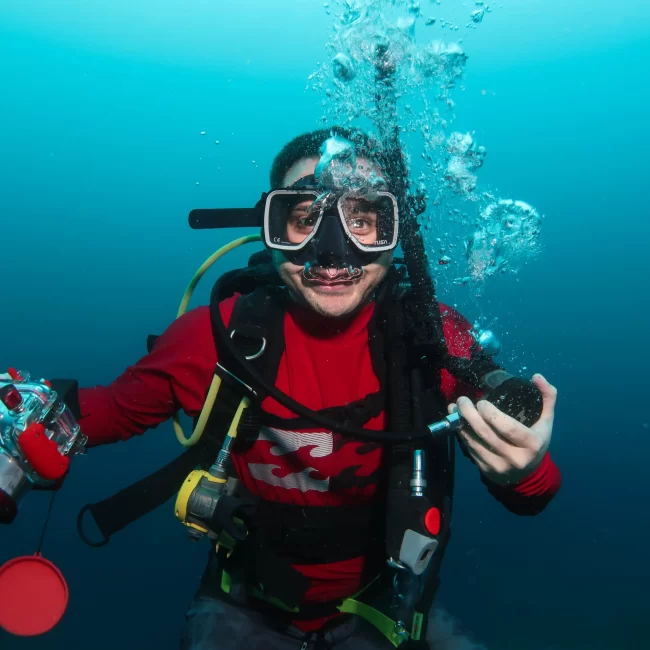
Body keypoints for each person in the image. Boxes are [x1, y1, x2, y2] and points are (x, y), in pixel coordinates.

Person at [59, 127, 562, 649]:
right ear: (269, 227)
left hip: (385, 611)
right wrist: (24, 408)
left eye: (361, 220)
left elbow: (533, 494)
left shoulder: (436, 339)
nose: (332, 252)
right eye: (305, 219)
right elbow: (104, 414)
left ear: (395, 229)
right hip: (244, 608)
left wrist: (523, 471)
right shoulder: (215, 338)